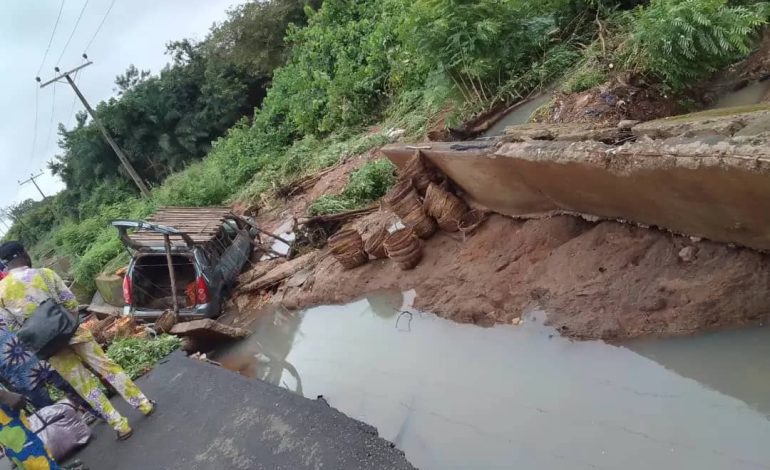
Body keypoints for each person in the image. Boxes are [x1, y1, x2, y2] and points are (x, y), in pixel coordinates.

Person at [0, 242, 154, 441]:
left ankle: (120, 426)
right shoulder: (45, 274)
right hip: (73, 332)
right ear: (22, 254)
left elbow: (12, 327)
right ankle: (143, 404)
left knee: (84, 385)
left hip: (49, 346)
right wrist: (64, 324)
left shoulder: (1, 293)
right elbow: (70, 302)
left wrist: (39, 331)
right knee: (108, 368)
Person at [0, 387, 59, 469]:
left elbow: (19, 401)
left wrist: (3, 394)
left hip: (23, 441)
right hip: (13, 447)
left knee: (42, 465)